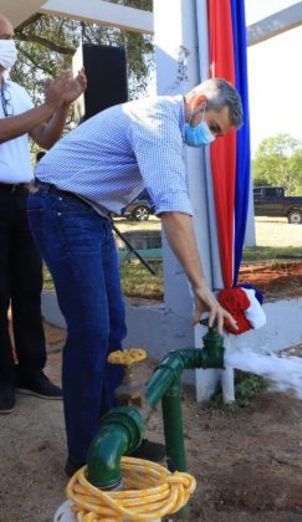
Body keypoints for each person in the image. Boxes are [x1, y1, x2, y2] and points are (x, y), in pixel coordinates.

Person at [28, 77, 242, 475]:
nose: (210, 138)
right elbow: (174, 210)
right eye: (213, 127)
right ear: (198, 101)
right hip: (62, 207)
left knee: (112, 329)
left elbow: (176, 203)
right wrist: (201, 288)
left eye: (218, 134)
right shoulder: (157, 123)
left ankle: (115, 436)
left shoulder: (167, 128)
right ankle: (84, 454)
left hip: (89, 212)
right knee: (91, 333)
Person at [0, 12, 86, 415]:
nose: (9, 43)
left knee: (28, 289)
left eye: (11, 36)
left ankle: (31, 371)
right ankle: (2, 379)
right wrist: (48, 104)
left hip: (23, 199)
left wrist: (62, 108)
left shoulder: (16, 89)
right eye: (2, 36)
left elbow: (45, 137)